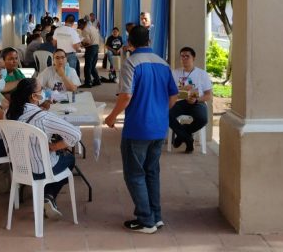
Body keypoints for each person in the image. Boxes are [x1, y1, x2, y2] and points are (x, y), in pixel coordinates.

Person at [104, 26, 178, 234]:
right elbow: (173, 95)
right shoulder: (163, 63)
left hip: (138, 127)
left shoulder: (131, 63)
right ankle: (156, 215)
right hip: (159, 127)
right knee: (152, 172)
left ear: (130, 41)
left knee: (135, 173)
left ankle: (146, 220)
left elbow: (126, 96)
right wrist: (160, 112)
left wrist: (112, 117)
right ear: (149, 40)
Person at [6, 78, 82, 219]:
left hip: (18, 167)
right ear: (34, 96)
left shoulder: (9, 113)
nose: (45, 92)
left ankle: (46, 196)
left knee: (55, 157)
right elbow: (76, 135)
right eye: (41, 90)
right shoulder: (43, 117)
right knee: (69, 159)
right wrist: (54, 147)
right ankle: (48, 195)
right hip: (39, 170)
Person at [169, 47, 212, 154]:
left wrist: (196, 100)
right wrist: (181, 90)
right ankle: (188, 138)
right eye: (182, 56)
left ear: (193, 58)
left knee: (203, 119)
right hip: (180, 102)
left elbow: (208, 95)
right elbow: (169, 91)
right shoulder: (175, 73)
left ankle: (181, 136)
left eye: (187, 56)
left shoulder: (202, 74)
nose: (184, 58)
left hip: (198, 102)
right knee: (166, 114)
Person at [80, 18, 102, 88]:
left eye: (79, 26)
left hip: (90, 48)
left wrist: (82, 44)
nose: (80, 28)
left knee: (87, 66)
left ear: (82, 25)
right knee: (92, 66)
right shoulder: (92, 27)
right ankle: (97, 80)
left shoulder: (85, 30)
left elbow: (88, 42)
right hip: (96, 47)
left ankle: (88, 82)